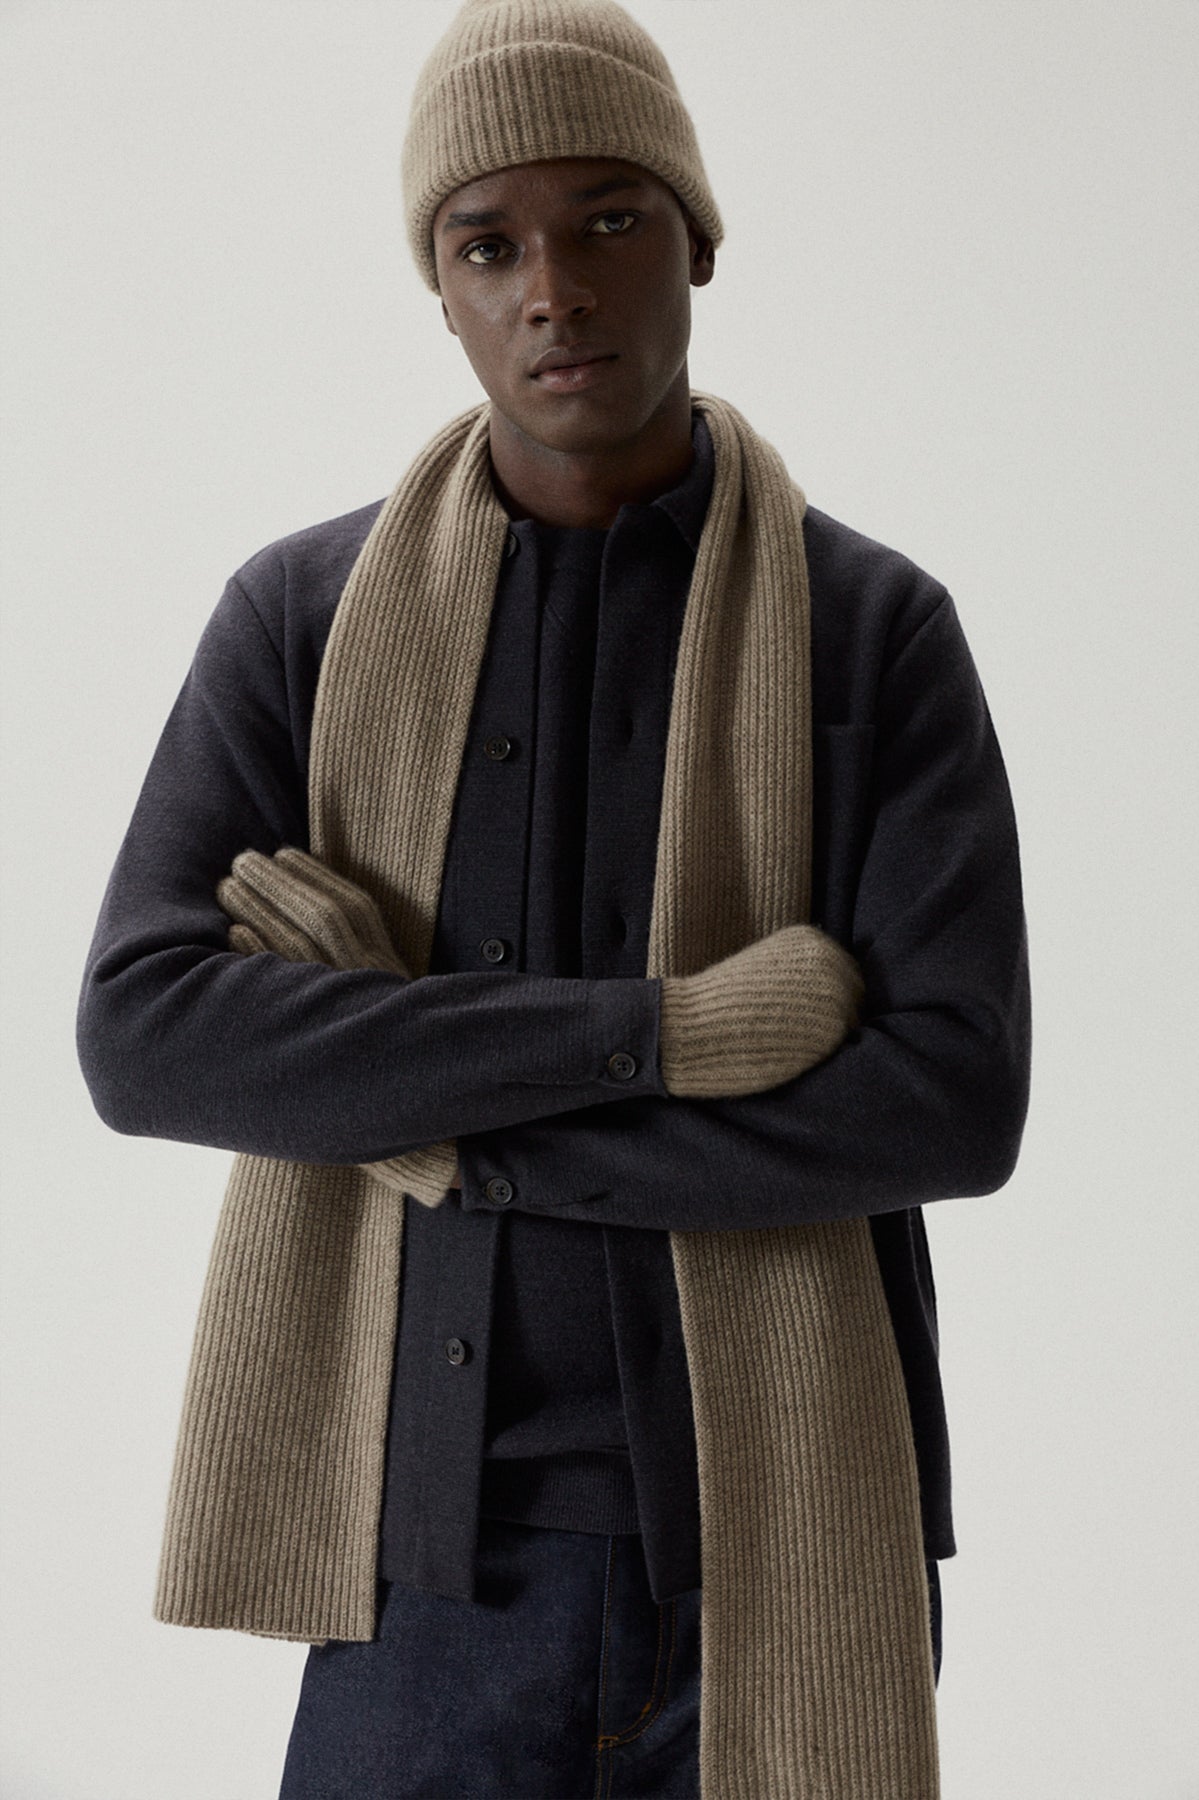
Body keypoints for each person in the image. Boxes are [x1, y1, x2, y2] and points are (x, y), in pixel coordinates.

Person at [76, 1, 1031, 1794]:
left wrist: (422, 1103)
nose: (555, 290)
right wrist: (679, 1036)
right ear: (438, 288)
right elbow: (146, 1036)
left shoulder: (870, 630)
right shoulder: (300, 620)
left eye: (609, 220)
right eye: (488, 243)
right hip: (418, 1581)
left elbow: (949, 1102)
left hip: (781, 1560)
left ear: (700, 241)